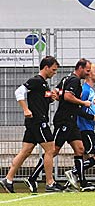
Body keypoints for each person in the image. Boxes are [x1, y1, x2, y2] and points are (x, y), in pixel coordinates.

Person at [0, 56, 65, 193]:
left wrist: (51, 99)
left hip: (34, 122)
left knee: (26, 151)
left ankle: (8, 179)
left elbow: (41, 101)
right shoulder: (36, 80)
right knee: (50, 149)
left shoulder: (44, 84)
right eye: (53, 70)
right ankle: (50, 183)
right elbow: (19, 92)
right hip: (38, 121)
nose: (55, 73)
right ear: (46, 67)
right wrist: (25, 109)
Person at [52, 58, 95, 192]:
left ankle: (83, 182)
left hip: (71, 121)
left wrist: (56, 96)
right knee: (53, 150)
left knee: (79, 150)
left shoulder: (67, 79)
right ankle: (36, 177)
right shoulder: (74, 81)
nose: (89, 72)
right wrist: (83, 103)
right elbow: (68, 97)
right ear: (80, 68)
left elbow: (56, 92)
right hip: (64, 120)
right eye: (88, 70)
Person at [65, 64, 95, 189]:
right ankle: (73, 172)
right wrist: (91, 118)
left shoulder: (90, 90)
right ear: (89, 74)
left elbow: (88, 108)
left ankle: (76, 183)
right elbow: (77, 109)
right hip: (84, 128)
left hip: (88, 127)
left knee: (85, 157)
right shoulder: (84, 90)